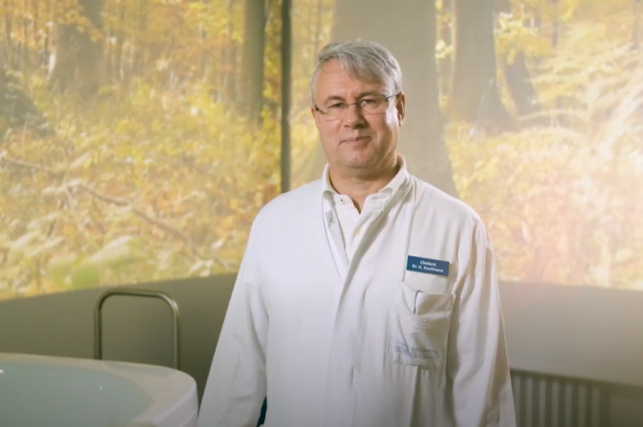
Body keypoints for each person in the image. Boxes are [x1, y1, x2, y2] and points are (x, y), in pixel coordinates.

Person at [197, 39, 517, 427]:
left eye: (369, 100)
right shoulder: (275, 223)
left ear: (399, 107)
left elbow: (480, 390)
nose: (352, 119)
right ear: (316, 117)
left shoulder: (457, 228)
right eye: (335, 105)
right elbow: (237, 374)